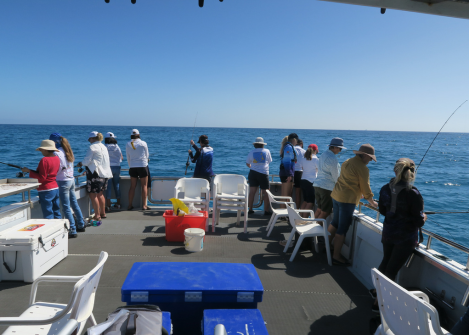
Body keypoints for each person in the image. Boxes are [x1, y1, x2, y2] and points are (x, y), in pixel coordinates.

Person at [371, 158, 426, 312]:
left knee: (386, 261)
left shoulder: (384, 188)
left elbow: (382, 211)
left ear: (396, 171)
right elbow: (419, 222)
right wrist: (424, 217)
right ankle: (378, 303)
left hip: (388, 233)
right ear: (411, 173)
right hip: (405, 238)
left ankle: (376, 291)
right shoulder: (413, 193)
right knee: (392, 269)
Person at [329, 143, 378, 266]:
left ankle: (324, 244)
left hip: (336, 195)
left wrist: (358, 191)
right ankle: (336, 256)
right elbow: (366, 188)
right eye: (370, 158)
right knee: (342, 228)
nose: (371, 160)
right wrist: (372, 202)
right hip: (347, 200)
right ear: (365, 156)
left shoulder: (347, 161)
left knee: (334, 222)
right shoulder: (363, 168)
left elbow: (347, 179)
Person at [49, 133, 87, 237]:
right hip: (71, 179)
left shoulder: (57, 153)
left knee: (66, 206)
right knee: (74, 203)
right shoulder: (67, 151)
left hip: (63, 181)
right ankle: (81, 224)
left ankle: (72, 230)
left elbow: (58, 168)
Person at [77, 131, 112, 223]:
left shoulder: (92, 147)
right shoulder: (104, 146)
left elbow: (87, 161)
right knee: (100, 194)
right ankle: (103, 213)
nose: (89, 141)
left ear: (92, 139)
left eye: (89, 139)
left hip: (95, 174)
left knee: (93, 195)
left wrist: (80, 164)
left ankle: (97, 216)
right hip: (105, 174)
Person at [21, 140, 61, 220]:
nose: (41, 152)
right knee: (56, 211)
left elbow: (42, 178)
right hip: (55, 188)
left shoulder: (44, 160)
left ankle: (50, 229)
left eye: (41, 150)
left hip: (46, 190)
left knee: (48, 212)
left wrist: (29, 171)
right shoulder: (57, 158)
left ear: (45, 150)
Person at [314, 137, 345, 221]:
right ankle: (313, 232)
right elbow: (336, 177)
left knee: (319, 209)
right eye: (340, 148)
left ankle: (309, 228)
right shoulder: (333, 159)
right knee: (325, 212)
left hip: (317, 185)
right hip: (326, 188)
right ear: (334, 147)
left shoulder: (324, 154)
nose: (340, 151)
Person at [246, 137, 272, 215]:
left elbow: (247, 163)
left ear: (255, 145)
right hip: (263, 174)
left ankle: (250, 209)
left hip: (253, 173)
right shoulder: (267, 151)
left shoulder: (251, 152)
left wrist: (253, 167)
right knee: (266, 192)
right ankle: (266, 210)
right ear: (263, 145)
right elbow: (269, 161)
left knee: (252, 192)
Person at [126, 129, 150, 210]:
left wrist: (131, 166)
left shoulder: (128, 144)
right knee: (144, 186)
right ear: (139, 135)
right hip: (143, 166)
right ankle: (144, 205)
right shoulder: (143, 143)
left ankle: (130, 205)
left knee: (132, 186)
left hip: (132, 167)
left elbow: (128, 157)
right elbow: (147, 155)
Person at [299, 144, 319, 217]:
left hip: (303, 181)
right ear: (315, 151)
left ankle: (300, 218)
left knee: (305, 201)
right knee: (310, 202)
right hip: (310, 182)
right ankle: (304, 220)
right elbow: (319, 170)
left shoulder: (303, 159)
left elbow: (303, 168)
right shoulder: (315, 159)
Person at [105, 132, 123, 210]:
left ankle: (108, 205)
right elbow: (121, 158)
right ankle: (118, 204)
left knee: (108, 187)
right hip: (117, 167)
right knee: (117, 185)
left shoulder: (104, 147)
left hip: (108, 168)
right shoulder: (117, 147)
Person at [279, 133, 298, 205]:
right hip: (287, 174)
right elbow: (287, 162)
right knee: (285, 195)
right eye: (296, 140)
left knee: (286, 196)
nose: (297, 142)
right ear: (293, 140)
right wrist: (289, 175)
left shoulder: (287, 146)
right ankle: (283, 215)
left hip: (287, 173)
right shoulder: (289, 147)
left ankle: (285, 214)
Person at [293, 139, 306, 209]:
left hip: (291, 172)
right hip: (300, 172)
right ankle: (297, 210)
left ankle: (288, 211)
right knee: (298, 193)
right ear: (301, 144)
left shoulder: (292, 149)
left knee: (289, 193)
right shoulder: (304, 151)